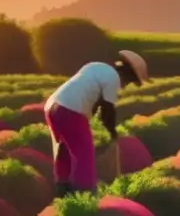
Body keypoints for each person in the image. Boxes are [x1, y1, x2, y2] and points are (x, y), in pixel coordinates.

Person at [44, 51, 148, 196]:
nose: (125, 86)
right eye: (130, 81)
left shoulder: (97, 67)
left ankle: (63, 188)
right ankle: (86, 194)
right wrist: (112, 132)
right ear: (127, 74)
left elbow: (94, 101)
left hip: (52, 106)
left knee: (64, 150)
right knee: (84, 154)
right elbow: (107, 109)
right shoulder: (114, 79)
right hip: (71, 109)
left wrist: (95, 123)